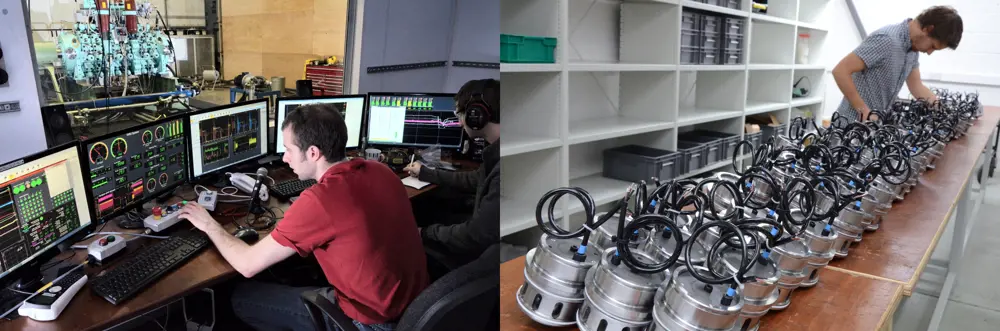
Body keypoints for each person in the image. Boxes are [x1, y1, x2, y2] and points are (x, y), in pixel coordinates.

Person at [178, 104, 429, 331]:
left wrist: (208, 224)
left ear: (312, 153)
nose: (284, 158)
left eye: (288, 149)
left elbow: (247, 264)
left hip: (369, 323)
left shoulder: (321, 200)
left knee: (241, 298)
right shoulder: (379, 170)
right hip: (416, 309)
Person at [403, 79, 501, 267]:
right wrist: (426, 173)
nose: (458, 123)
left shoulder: (501, 167)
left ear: (476, 115)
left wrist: (423, 233)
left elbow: (475, 235)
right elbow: (475, 178)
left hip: (479, 255)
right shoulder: (497, 153)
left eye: (460, 115)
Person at [833, 6, 963, 122]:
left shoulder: (912, 50)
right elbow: (840, 71)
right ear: (927, 29)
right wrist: (864, 112)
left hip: (873, 125)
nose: (929, 52)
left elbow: (916, 86)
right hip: (850, 123)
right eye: (932, 46)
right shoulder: (887, 39)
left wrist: (945, 112)